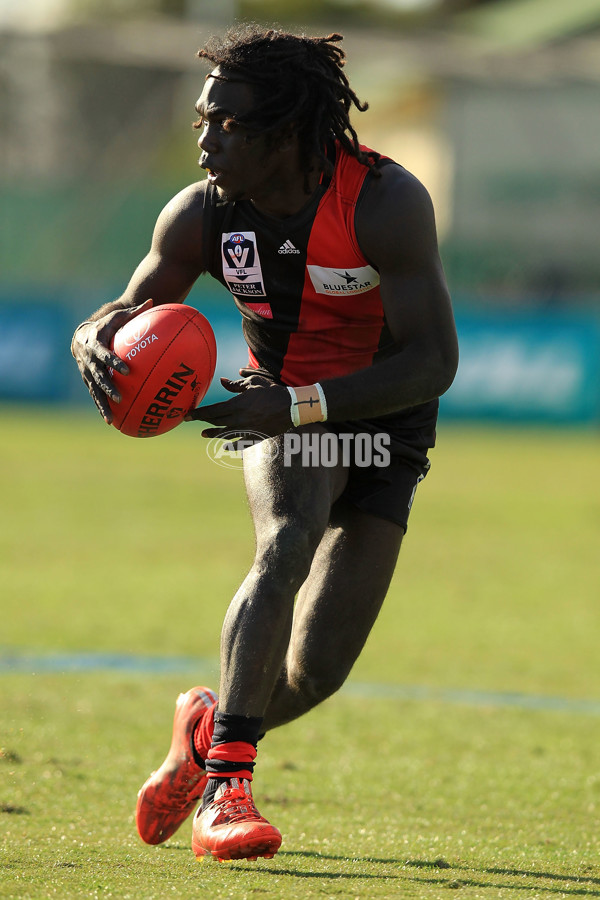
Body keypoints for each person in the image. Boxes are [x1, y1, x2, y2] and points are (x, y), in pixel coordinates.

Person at [70, 25, 458, 863]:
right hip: (279, 412)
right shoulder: (201, 214)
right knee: (283, 546)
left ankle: (211, 726)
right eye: (205, 119)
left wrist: (305, 403)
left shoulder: (385, 202)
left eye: (228, 124)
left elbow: (433, 362)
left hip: (380, 417)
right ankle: (226, 792)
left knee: (316, 672)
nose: (205, 139)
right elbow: (128, 310)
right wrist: (91, 337)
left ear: (286, 132)